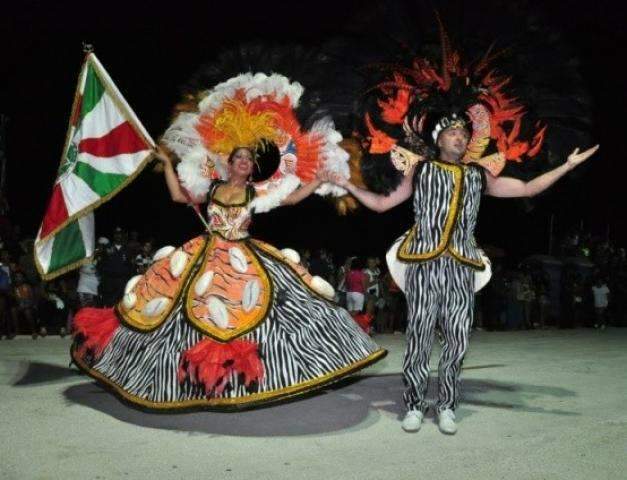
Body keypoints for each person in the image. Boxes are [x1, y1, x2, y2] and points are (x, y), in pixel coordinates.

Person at [70, 144, 384, 409]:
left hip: (242, 256)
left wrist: (317, 180)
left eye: (249, 159)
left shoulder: (255, 191)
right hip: (204, 254)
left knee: (254, 313)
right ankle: (184, 378)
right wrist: (167, 163)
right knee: (180, 311)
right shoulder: (213, 187)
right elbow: (180, 197)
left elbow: (290, 199)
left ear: (251, 168)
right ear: (230, 163)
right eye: (240, 158)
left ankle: (243, 378)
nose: (245, 162)